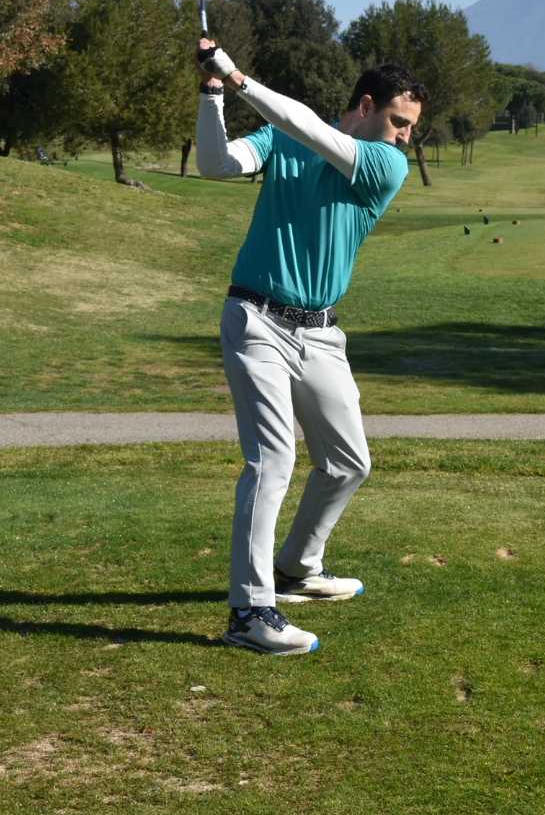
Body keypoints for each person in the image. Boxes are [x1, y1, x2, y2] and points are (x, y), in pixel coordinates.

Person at [194, 38, 423, 655]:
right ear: (367, 106)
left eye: (410, 127)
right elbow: (217, 165)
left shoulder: (385, 165)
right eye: (399, 122)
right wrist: (213, 94)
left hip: (320, 334)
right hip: (256, 320)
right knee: (272, 461)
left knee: (349, 462)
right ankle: (250, 612)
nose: (406, 137)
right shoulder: (283, 137)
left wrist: (238, 77)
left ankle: (297, 568)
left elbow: (310, 129)